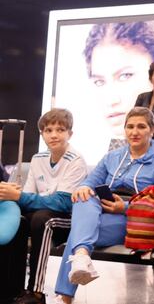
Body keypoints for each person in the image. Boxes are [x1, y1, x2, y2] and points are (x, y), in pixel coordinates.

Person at [53, 107, 154, 304]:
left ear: (152, 130)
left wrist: (125, 207)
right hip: (101, 210)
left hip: (136, 219)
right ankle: (82, 257)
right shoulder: (113, 156)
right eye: (130, 126)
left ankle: (66, 295)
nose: (134, 132)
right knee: (84, 197)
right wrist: (83, 187)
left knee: (79, 233)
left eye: (141, 127)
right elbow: (90, 181)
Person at [0, 109, 87, 304]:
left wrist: (21, 197)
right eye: (48, 130)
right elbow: (28, 198)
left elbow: (63, 203)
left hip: (68, 220)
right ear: (42, 134)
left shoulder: (76, 161)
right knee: (19, 221)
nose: (54, 134)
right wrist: (13, 196)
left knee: (42, 220)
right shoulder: (38, 159)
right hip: (43, 214)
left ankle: (36, 292)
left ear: (69, 134)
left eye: (60, 129)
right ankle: (11, 288)